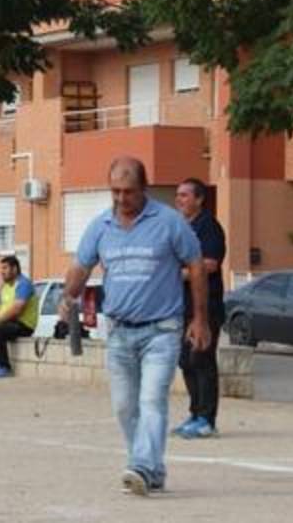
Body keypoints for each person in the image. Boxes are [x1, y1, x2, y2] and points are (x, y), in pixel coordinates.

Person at [60, 157, 210, 497]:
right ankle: (150, 469)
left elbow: (197, 266)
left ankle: (141, 465)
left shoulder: (170, 222)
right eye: (115, 191)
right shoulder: (100, 226)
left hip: (162, 330)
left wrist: (199, 319)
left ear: (144, 188)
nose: (121, 199)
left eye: (128, 191)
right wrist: (68, 296)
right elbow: (81, 267)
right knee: (124, 406)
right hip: (119, 331)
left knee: (152, 399)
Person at [172, 177, 227, 439]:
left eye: (184, 195)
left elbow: (210, 264)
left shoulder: (209, 227)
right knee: (185, 360)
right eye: (178, 195)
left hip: (206, 306)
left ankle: (207, 419)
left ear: (199, 199)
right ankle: (194, 413)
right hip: (183, 305)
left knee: (202, 358)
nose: (179, 199)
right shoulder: (181, 227)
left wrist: (178, 272)